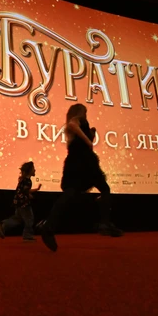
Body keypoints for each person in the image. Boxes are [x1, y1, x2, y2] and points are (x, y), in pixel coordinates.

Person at [39, 103, 123, 252]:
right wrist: (88, 139)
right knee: (100, 189)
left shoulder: (81, 125)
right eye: (85, 111)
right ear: (79, 112)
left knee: (74, 193)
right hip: (82, 162)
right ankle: (104, 223)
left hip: (79, 162)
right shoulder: (76, 120)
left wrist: (92, 135)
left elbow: (84, 140)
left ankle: (48, 226)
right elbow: (74, 127)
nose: (86, 114)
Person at [0, 161, 42, 242]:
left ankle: (3, 225)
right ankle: (27, 236)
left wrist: (32, 192)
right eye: (33, 169)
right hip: (24, 203)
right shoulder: (28, 181)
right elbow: (25, 191)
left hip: (18, 202)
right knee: (29, 218)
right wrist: (33, 192)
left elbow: (23, 190)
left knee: (18, 218)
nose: (35, 170)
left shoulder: (23, 180)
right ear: (29, 171)